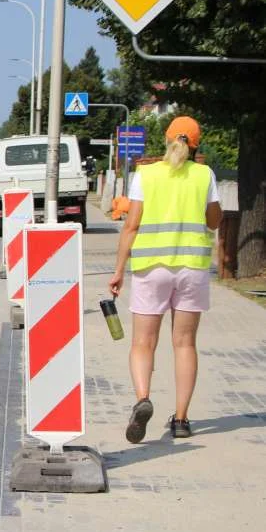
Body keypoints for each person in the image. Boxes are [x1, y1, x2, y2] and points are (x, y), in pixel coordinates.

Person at [108, 116, 222, 443]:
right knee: (184, 343)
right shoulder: (205, 175)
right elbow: (214, 222)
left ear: (166, 140)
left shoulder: (146, 175)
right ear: (196, 144)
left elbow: (130, 226)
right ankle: (182, 420)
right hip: (192, 269)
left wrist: (118, 271)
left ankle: (143, 398)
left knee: (143, 343)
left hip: (150, 269)